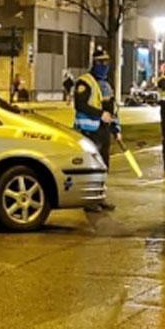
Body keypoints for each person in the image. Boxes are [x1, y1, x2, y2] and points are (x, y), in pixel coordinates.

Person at [72, 49, 118, 210]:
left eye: (106, 62)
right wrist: (100, 114)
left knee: (104, 165)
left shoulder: (106, 84)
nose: (104, 65)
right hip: (88, 130)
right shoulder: (84, 82)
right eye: (100, 62)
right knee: (92, 166)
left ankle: (100, 197)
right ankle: (89, 201)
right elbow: (80, 105)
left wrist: (116, 128)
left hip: (103, 131)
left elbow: (111, 109)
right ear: (94, 63)